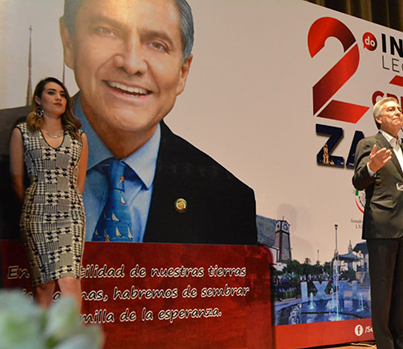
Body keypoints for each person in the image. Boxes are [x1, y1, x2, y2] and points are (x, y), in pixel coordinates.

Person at [58, 0, 257, 245]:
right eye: (106, 31)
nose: (131, 64)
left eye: (157, 44)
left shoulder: (227, 202)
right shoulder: (17, 151)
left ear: (183, 72)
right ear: (69, 42)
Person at [9, 77, 88, 308]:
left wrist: (67, 203)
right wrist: (34, 204)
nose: (58, 98)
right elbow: (17, 181)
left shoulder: (78, 137)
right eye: (52, 93)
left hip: (71, 217)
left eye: (62, 94)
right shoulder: (23, 132)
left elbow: (79, 183)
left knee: (70, 280)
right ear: (37, 99)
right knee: (43, 286)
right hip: (37, 215)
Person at [352, 97, 403, 349]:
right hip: (382, 225)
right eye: (391, 109)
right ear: (378, 118)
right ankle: (384, 348)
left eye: (399, 109)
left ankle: (399, 343)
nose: (398, 112)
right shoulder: (369, 144)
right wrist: (371, 167)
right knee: (382, 290)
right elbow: (358, 180)